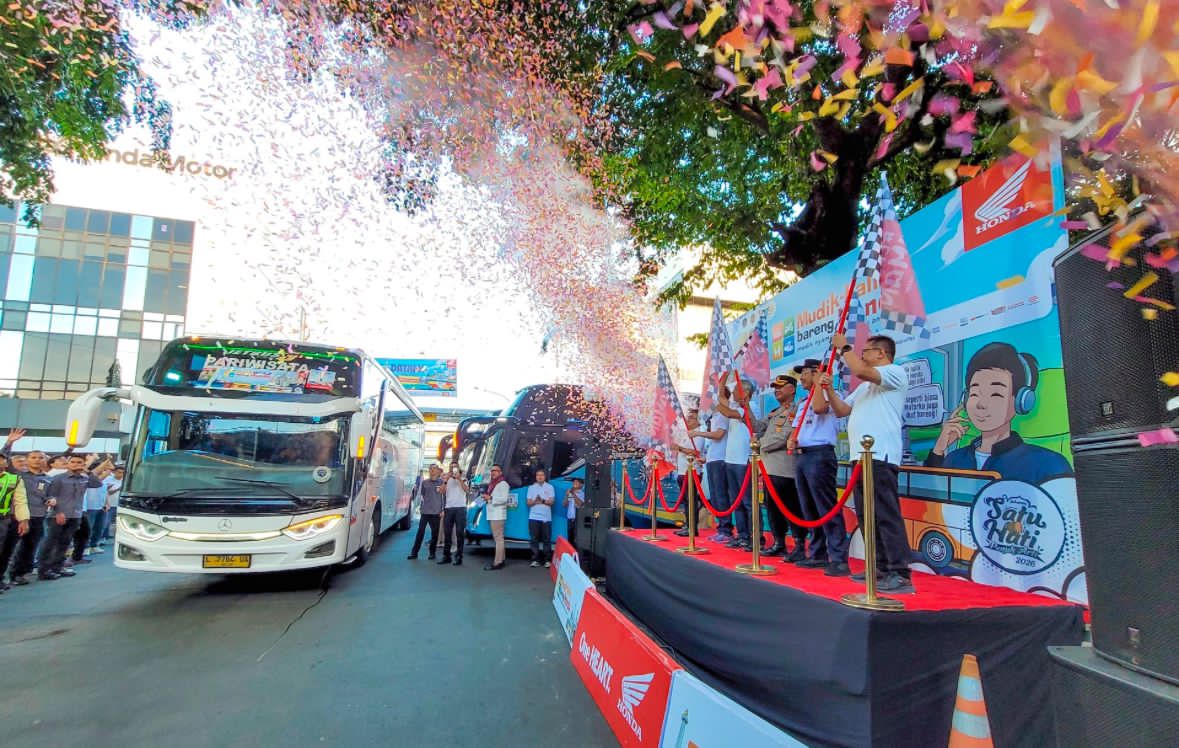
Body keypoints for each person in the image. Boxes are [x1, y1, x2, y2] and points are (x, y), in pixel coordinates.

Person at [823, 333, 913, 593]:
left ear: (882, 354)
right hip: (859, 458)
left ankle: (900, 572)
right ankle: (880, 567)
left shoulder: (895, 373)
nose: (862, 355)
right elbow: (841, 410)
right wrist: (829, 390)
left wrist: (844, 348)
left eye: (867, 351)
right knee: (866, 516)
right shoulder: (864, 387)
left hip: (880, 455)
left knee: (885, 514)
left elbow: (860, 370)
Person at [924, 341, 1073, 484]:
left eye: (995, 394)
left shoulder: (1048, 465)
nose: (981, 404)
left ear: (1021, 401)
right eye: (975, 394)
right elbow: (930, 499)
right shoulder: (954, 460)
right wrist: (938, 450)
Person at [788, 358, 848, 576]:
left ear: (815, 373)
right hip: (803, 456)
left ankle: (839, 557)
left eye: (804, 373)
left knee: (826, 506)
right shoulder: (803, 402)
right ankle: (817, 553)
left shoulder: (829, 395)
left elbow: (820, 408)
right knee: (809, 508)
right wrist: (792, 440)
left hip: (820, 455)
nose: (801, 378)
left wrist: (818, 385)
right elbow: (797, 427)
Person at [758, 375, 808, 560]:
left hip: (784, 469)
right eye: (774, 387)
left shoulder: (795, 411)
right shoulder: (774, 412)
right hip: (769, 468)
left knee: (791, 507)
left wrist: (758, 444)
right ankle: (779, 542)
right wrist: (746, 406)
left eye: (781, 386)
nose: (776, 390)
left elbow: (784, 436)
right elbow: (757, 427)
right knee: (772, 508)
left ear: (792, 389)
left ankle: (799, 545)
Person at [40, 455, 110, 580]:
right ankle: (44, 569)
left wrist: (87, 471)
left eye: (79, 462)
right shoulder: (58, 479)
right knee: (51, 543)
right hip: (58, 515)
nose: (75, 464)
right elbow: (50, 496)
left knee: (65, 543)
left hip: (75, 515)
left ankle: (58, 567)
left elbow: (97, 483)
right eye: (72, 462)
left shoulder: (84, 478)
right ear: (68, 464)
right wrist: (58, 512)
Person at [716, 374, 759, 551]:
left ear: (746, 394)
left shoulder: (750, 408)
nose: (732, 393)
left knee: (748, 502)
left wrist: (719, 401)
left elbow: (725, 410)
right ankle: (742, 535)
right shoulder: (737, 406)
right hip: (731, 460)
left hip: (743, 461)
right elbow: (723, 402)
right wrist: (721, 383)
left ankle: (755, 536)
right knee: (737, 501)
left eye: (735, 391)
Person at [691, 396, 731, 543]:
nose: (701, 408)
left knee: (720, 496)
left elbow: (719, 435)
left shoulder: (721, 414)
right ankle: (721, 528)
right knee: (714, 497)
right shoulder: (712, 418)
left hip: (721, 460)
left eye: (701, 405)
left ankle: (726, 530)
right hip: (712, 460)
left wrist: (698, 433)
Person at [9, 450, 52, 585]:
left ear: (45, 460)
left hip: (38, 515)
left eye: (40, 458)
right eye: (33, 457)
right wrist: (10, 443)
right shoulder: (18, 475)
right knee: (8, 546)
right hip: (17, 516)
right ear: (27, 460)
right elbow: (5, 460)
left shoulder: (48, 479)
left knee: (30, 546)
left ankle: (19, 573)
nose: (37, 460)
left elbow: (50, 495)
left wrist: (51, 499)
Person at [0, 453, 30, 593]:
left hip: (5, 519)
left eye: (2, 461)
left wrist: (23, 520)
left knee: (6, 551)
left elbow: (20, 501)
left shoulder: (14, 479)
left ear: (6, 463)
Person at [407, 465, 445, 560]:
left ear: (437, 471)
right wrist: (421, 507)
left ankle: (432, 553)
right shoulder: (424, 483)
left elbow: (444, 497)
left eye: (434, 469)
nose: (432, 471)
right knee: (420, 532)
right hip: (425, 512)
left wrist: (443, 509)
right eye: (430, 469)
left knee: (434, 534)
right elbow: (422, 495)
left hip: (436, 512)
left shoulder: (442, 482)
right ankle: (414, 552)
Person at [439, 462, 468, 566]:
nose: (453, 469)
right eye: (451, 467)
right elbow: (441, 491)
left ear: (458, 468)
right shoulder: (447, 478)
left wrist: (459, 479)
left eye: (455, 467)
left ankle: (459, 556)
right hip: (449, 508)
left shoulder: (463, 478)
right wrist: (446, 480)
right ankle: (446, 556)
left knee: (460, 533)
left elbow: (467, 490)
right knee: (447, 533)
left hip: (460, 508)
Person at [483, 464, 510, 571]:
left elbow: (503, 499)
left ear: (500, 472)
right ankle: (501, 559)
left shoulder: (503, 484)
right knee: (498, 538)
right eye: (492, 470)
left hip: (497, 515)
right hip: (493, 514)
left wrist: (490, 497)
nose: (493, 472)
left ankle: (497, 562)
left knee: (498, 539)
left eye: (495, 470)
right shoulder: (493, 484)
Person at [526, 468, 555, 568]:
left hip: (546, 518)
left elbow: (551, 502)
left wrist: (541, 500)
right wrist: (535, 501)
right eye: (538, 475)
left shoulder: (550, 487)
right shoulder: (531, 488)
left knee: (547, 539)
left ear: (545, 477)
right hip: (533, 517)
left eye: (541, 475)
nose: (539, 477)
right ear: (536, 477)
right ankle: (535, 560)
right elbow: (529, 503)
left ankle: (547, 560)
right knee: (534, 539)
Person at [564, 477, 584, 546]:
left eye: (577, 482)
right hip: (570, 519)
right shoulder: (570, 493)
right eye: (574, 482)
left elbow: (580, 504)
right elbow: (564, 504)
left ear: (581, 484)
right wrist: (567, 495)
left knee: (577, 539)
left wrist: (573, 494)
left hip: (578, 519)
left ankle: (577, 554)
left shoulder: (583, 494)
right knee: (570, 538)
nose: (574, 483)